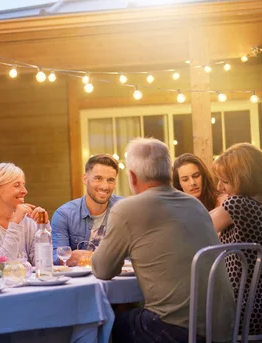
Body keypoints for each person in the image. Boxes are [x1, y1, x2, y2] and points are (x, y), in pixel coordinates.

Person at [92, 138, 234, 343]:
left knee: (109, 324)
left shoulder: (126, 209)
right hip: (221, 329)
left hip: (180, 331)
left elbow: (102, 269)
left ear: (131, 176)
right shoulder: (195, 204)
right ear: (169, 172)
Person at [210, 143, 262, 335]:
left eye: (224, 181)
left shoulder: (239, 204)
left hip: (238, 312)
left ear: (243, 179)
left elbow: (198, 227)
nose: (219, 187)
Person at [0, 163, 48, 265]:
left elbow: (43, 264)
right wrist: (15, 223)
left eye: (24, 185)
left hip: (27, 281)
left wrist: (43, 228)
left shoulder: (28, 221)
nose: (25, 191)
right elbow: (0, 267)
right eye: (17, 185)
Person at [51, 154, 123, 265]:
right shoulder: (64, 215)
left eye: (110, 180)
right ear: (85, 179)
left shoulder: (125, 210)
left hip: (117, 279)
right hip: (80, 281)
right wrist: (74, 257)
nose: (105, 186)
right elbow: (55, 257)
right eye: (98, 178)